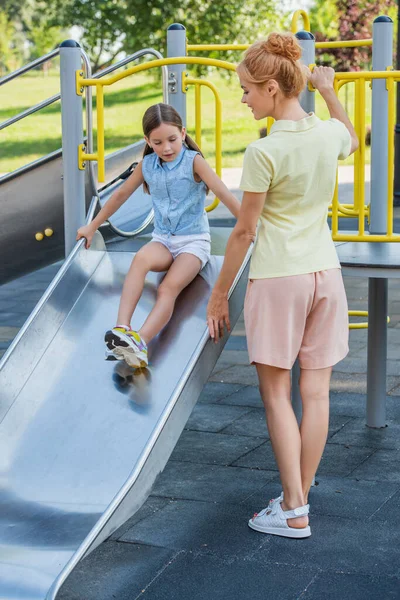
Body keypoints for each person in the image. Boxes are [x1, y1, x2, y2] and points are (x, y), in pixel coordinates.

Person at [206, 32, 358, 539]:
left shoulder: (263, 151)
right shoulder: (326, 135)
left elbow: (245, 232)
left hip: (279, 278)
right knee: (315, 394)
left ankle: (294, 511)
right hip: (327, 277)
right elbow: (351, 137)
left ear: (272, 88)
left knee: (277, 395)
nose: (243, 98)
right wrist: (328, 88)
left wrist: (218, 293)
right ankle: (296, 499)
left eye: (247, 89)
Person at [77, 103, 241, 368]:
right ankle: (122, 329)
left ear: (183, 133)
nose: (166, 148)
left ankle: (140, 343)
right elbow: (120, 195)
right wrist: (92, 225)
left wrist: (249, 225)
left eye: (173, 140)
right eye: (158, 142)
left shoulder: (193, 161)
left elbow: (223, 192)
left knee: (167, 288)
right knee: (139, 260)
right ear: (147, 141)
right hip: (163, 239)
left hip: (193, 242)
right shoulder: (148, 165)